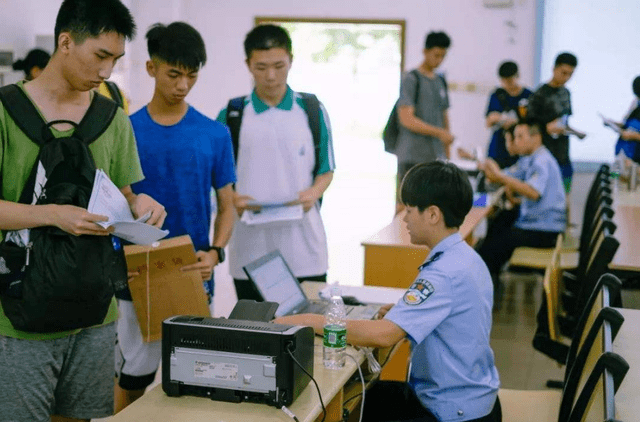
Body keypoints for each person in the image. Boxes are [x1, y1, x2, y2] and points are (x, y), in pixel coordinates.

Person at [0, 1, 167, 421]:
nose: (107, 71)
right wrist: (53, 214)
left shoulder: (113, 119)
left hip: (95, 311)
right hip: (18, 314)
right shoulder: (5, 112)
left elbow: (123, 193)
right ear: (66, 42)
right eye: (100, 56)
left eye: (115, 59)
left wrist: (138, 204)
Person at [275, 161, 501, 422]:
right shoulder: (466, 258)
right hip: (473, 400)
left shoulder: (443, 273)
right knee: (364, 396)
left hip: (451, 412)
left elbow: (384, 336)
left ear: (433, 215)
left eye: (409, 209)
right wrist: (407, 317)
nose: (404, 217)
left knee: (345, 406)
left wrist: (308, 321)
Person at [114, 21, 236, 412]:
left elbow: (228, 204)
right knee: (133, 376)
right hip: (137, 270)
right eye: (174, 74)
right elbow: (114, 199)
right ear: (151, 68)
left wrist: (216, 251)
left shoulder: (214, 134)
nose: (183, 84)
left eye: (192, 75)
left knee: (191, 376)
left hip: (193, 268)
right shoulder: (125, 131)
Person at [217, 24, 335, 301]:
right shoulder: (232, 114)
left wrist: (314, 192)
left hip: (304, 246)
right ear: (248, 64)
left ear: (291, 61)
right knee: (256, 331)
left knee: (308, 330)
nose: (270, 76)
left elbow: (326, 170)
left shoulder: (311, 110)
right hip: (250, 247)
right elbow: (216, 176)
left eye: (279, 65)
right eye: (261, 67)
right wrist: (231, 196)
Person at [477, 120, 566, 289]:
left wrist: (501, 177)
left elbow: (533, 192)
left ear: (536, 137)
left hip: (545, 229)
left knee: (495, 244)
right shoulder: (531, 158)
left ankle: (482, 284)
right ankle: (487, 279)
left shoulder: (542, 160)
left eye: (520, 137)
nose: (516, 142)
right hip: (537, 223)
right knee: (498, 223)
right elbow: (505, 175)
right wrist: (492, 170)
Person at [395, 31, 453, 211]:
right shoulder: (411, 79)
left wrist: (447, 150)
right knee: (405, 207)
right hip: (412, 156)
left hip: (434, 156)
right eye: (436, 55)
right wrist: (439, 132)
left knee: (430, 208)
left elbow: (444, 118)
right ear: (425, 51)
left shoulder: (440, 81)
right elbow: (407, 119)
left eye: (443, 56)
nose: (439, 60)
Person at [528, 52, 584, 192]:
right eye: (563, 73)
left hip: (563, 155)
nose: (566, 78)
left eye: (570, 74)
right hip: (545, 156)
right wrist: (545, 128)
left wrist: (576, 132)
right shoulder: (539, 94)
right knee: (547, 197)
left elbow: (564, 122)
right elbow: (529, 126)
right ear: (554, 69)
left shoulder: (566, 93)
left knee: (565, 195)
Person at [485, 61, 533, 169]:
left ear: (518, 76)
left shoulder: (528, 96)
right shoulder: (497, 94)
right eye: (504, 81)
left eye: (510, 81)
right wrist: (505, 119)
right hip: (498, 148)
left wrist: (507, 120)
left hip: (520, 148)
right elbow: (489, 121)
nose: (507, 85)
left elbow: (532, 122)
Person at [611, 75, 640, 164]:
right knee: (617, 174)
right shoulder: (636, 104)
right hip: (625, 154)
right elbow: (626, 123)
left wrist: (633, 136)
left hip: (636, 157)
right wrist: (612, 124)